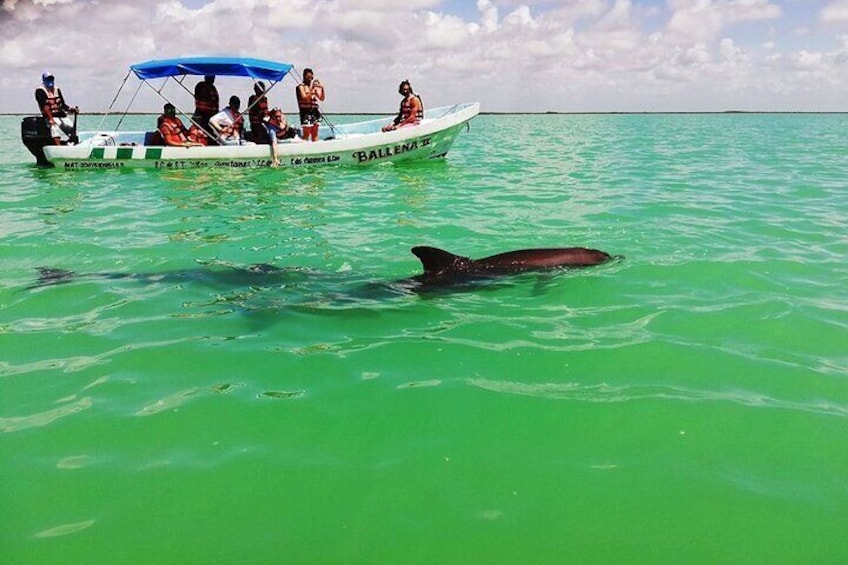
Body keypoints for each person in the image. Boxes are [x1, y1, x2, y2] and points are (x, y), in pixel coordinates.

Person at [34, 71, 79, 145]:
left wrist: (71, 109)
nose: (50, 81)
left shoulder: (57, 89)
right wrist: (51, 119)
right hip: (50, 116)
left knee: (72, 131)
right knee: (55, 129)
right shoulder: (40, 90)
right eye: (48, 79)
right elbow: (45, 107)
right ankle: (58, 147)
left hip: (61, 115)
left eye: (51, 79)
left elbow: (63, 105)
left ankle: (74, 145)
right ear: (44, 80)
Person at [295, 68, 325, 142]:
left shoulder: (312, 88)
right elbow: (304, 98)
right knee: (306, 134)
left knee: (315, 133)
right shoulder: (301, 87)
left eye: (311, 78)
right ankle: (303, 148)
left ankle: (316, 148)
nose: (310, 79)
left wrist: (322, 88)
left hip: (315, 112)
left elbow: (322, 98)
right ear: (304, 77)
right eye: (308, 77)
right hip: (306, 112)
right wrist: (312, 91)